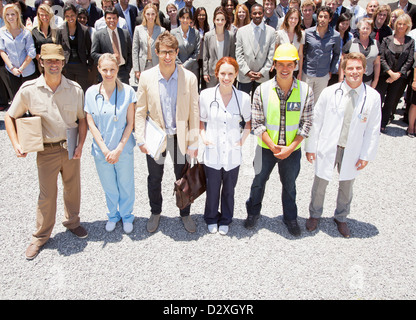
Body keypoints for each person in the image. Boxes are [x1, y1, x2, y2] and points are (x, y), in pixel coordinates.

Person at [4, 43, 88, 260]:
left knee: (73, 188)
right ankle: (41, 236)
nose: (54, 64)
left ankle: (72, 222)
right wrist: (16, 144)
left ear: (63, 63)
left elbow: (82, 119)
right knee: (47, 195)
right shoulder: (29, 90)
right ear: (40, 62)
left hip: (69, 148)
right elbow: (10, 117)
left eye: (58, 61)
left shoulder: (75, 89)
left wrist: (80, 145)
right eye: (49, 60)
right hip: (46, 151)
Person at [305, 52, 381, 238]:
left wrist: (366, 155)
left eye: (358, 68)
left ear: (365, 69)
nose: (354, 72)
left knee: (347, 185)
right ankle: (314, 215)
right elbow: (316, 121)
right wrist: (310, 147)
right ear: (343, 70)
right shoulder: (330, 92)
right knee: (320, 182)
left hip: (352, 148)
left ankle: (341, 217)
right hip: (329, 146)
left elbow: (373, 128)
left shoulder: (372, 96)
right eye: (350, 68)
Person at [244, 43, 314, 237]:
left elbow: (306, 124)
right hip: (265, 148)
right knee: (258, 182)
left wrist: (290, 148)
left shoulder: (306, 91)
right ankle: (253, 213)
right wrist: (272, 146)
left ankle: (290, 217)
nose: (285, 69)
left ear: (295, 65)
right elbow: (258, 123)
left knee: (290, 185)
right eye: (281, 64)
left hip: (292, 149)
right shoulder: (262, 90)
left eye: (289, 64)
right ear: (273, 65)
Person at [135, 31, 199, 233]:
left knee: (183, 178)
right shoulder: (146, 77)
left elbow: (194, 111)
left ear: (177, 51)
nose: (168, 56)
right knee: (154, 178)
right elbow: (140, 110)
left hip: (180, 137)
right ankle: (155, 212)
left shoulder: (188, 78)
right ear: (156, 52)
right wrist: (140, 138)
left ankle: (185, 213)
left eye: (171, 52)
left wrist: (193, 141)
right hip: (156, 137)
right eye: (163, 52)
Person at [84, 53, 137, 234]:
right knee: (109, 185)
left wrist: (119, 148)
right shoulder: (91, 93)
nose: (108, 73)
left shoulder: (128, 92)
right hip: (102, 150)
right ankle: (113, 216)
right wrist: (106, 149)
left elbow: (131, 123)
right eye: (105, 69)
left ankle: (127, 216)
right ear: (98, 69)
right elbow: (91, 123)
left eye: (112, 70)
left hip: (123, 149)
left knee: (125, 183)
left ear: (117, 70)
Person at [199, 57, 250, 235]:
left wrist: (242, 141)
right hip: (212, 150)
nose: (226, 77)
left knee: (229, 189)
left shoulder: (243, 98)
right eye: (223, 73)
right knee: (212, 188)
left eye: (230, 73)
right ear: (217, 74)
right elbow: (201, 120)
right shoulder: (206, 95)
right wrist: (204, 137)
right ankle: (211, 217)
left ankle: (226, 219)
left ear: (236, 74)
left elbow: (249, 122)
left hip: (233, 152)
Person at [376, 13, 414, 133]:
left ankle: (383, 124)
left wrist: (397, 75)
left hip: (399, 77)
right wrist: (390, 72)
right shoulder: (387, 39)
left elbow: (409, 60)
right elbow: (381, 57)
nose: (401, 26)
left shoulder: (410, 42)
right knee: (379, 99)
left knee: (391, 101)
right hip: (384, 75)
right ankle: (374, 122)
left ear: (408, 26)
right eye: (399, 24)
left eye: (404, 24)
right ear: (395, 24)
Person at [235, 3, 276, 98]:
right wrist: (247, 71)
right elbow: (239, 54)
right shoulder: (241, 31)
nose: (257, 15)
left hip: (262, 77)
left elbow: (271, 55)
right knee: (242, 105)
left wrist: (262, 72)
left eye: (260, 13)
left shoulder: (271, 32)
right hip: (244, 76)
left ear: (263, 14)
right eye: (255, 13)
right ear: (250, 14)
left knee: (261, 105)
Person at [302, 5, 341, 101]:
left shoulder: (335, 35)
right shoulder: (308, 33)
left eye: (325, 17)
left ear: (330, 19)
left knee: (318, 102)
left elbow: (336, 54)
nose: (322, 19)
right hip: (307, 73)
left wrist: (331, 70)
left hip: (323, 74)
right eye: (320, 16)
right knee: (304, 100)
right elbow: (302, 52)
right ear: (317, 17)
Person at [0, 3, 37, 100]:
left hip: (27, 70)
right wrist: (12, 68)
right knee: (17, 99)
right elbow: (2, 51)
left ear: (17, 15)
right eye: (7, 15)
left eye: (13, 14)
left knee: (31, 98)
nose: (10, 17)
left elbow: (31, 52)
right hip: (12, 71)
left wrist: (21, 68)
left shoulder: (26, 32)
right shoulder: (2, 32)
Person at [91, 7, 132, 85]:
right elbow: (93, 54)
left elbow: (130, 53)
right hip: (107, 72)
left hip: (123, 71)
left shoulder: (125, 33)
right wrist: (109, 57)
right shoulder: (98, 35)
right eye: (109, 18)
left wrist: (127, 69)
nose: (112, 21)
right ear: (105, 19)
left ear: (118, 19)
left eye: (114, 18)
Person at [59, 3, 92, 92]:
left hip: (81, 65)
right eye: (67, 16)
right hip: (67, 66)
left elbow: (90, 49)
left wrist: (89, 66)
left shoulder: (84, 30)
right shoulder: (60, 30)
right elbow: (58, 49)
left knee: (82, 91)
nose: (70, 18)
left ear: (76, 14)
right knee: (68, 92)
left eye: (72, 15)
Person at [341, 18, 380, 88]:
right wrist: (341, 78)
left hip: (368, 81)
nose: (365, 30)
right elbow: (343, 60)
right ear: (359, 30)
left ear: (371, 30)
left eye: (368, 28)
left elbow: (377, 64)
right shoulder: (351, 43)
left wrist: (375, 80)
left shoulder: (376, 44)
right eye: (363, 28)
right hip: (350, 80)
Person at [203, 6, 236, 88]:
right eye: (217, 20)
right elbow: (205, 56)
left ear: (225, 21)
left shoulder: (230, 35)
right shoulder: (208, 35)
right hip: (212, 73)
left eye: (222, 20)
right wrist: (205, 72)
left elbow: (232, 55)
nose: (220, 22)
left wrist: (232, 71)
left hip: (226, 72)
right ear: (214, 20)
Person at [132, 3, 165, 82]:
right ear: (144, 15)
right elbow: (135, 50)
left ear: (156, 15)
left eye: (153, 14)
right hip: (143, 65)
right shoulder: (138, 29)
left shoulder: (161, 30)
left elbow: (163, 50)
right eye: (148, 14)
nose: (150, 17)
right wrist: (136, 69)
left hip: (156, 65)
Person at [275, 7, 305, 79]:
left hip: (295, 68)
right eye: (291, 18)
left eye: (296, 18)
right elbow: (275, 53)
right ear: (287, 19)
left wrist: (300, 73)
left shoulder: (302, 34)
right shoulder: (279, 34)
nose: (293, 21)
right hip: (282, 69)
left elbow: (300, 54)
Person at [170, 7, 200, 79]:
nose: (185, 20)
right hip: (177, 68)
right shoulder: (173, 33)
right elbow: (172, 50)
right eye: (183, 17)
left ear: (190, 19)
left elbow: (197, 53)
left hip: (193, 69)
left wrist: (185, 65)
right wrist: (179, 65)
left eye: (187, 18)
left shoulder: (196, 33)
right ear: (179, 18)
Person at [30, 3, 60, 75]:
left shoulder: (56, 31)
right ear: (38, 16)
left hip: (54, 64)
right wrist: (41, 59)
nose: (44, 17)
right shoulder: (34, 31)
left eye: (46, 15)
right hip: (40, 64)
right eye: (42, 15)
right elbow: (33, 49)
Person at [193, 7, 209, 91]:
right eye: (199, 15)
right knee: (196, 77)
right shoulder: (193, 28)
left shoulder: (208, 28)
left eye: (203, 15)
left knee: (204, 78)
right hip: (196, 57)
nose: (201, 17)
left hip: (205, 57)